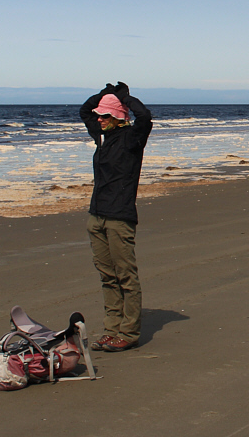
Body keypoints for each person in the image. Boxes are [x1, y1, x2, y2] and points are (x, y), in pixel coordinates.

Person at [79, 82, 153, 352]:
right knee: (107, 276)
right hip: (96, 216)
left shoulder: (132, 139)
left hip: (119, 218)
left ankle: (129, 332)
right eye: (100, 116)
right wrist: (104, 94)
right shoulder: (101, 136)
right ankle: (112, 330)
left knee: (126, 277)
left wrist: (124, 98)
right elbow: (84, 111)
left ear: (119, 118)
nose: (99, 119)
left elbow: (145, 117)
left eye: (105, 115)